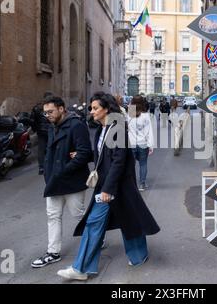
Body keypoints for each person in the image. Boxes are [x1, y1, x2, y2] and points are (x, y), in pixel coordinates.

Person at [56, 92, 160, 281]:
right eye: (91, 108)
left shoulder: (118, 128)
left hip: (114, 186)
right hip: (109, 184)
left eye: (95, 108)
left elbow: (118, 162)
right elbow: (103, 155)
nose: (92, 111)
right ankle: (138, 255)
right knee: (125, 219)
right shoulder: (102, 129)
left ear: (106, 109)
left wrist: (107, 190)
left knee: (104, 221)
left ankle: (81, 268)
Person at [31, 96, 93, 268]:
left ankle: (96, 238)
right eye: (45, 113)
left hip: (72, 180)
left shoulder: (77, 126)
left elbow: (84, 153)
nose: (48, 115)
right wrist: (48, 173)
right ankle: (53, 252)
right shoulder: (52, 126)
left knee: (78, 215)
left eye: (50, 111)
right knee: (53, 215)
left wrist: (63, 170)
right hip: (54, 180)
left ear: (61, 109)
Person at [127, 96, 154, 191]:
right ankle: (142, 184)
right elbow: (149, 132)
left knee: (131, 164)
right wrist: (150, 145)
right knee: (143, 164)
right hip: (143, 143)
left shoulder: (129, 115)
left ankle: (131, 184)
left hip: (131, 144)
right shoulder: (146, 115)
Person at [31, 91, 54, 175]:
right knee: (50, 147)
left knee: (41, 149)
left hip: (41, 131)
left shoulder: (37, 107)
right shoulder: (52, 107)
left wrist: (36, 129)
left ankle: (42, 167)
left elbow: (33, 120)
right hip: (50, 130)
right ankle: (49, 166)